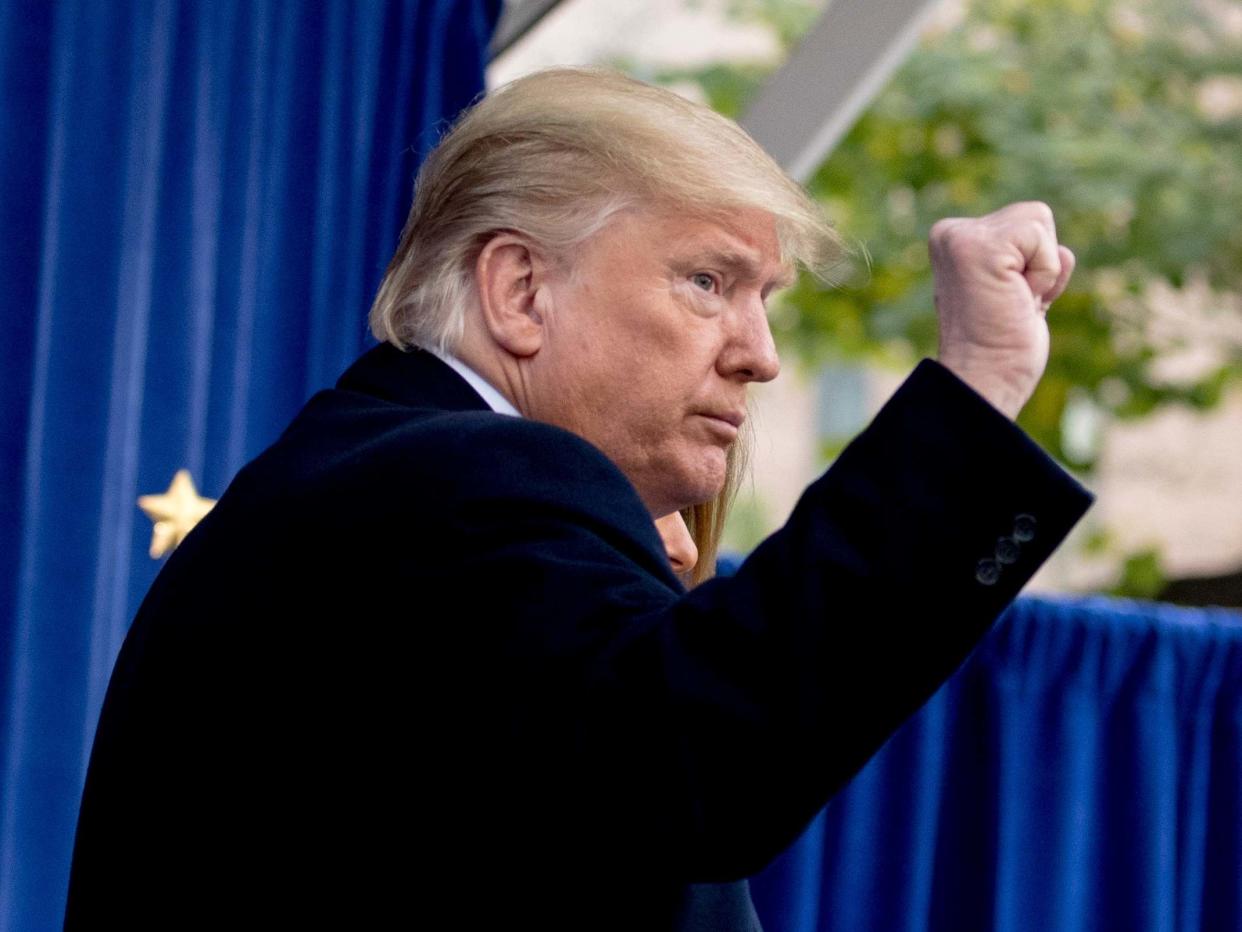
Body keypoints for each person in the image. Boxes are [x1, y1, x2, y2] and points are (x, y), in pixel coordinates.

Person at [65, 68, 1095, 929]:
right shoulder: (465, 477)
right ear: (520, 291)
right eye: (707, 282)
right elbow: (703, 756)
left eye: (763, 298)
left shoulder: (374, 483)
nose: (764, 355)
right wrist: (975, 383)